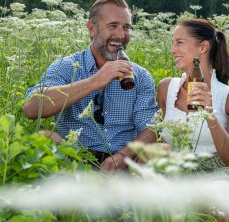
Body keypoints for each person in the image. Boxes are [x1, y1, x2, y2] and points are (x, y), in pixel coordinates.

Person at [23, 0, 158, 171]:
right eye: (113, 26)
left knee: (158, 151)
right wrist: (94, 81)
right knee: (42, 136)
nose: (121, 35)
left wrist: (123, 155)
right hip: (73, 158)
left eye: (126, 27)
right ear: (92, 29)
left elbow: (150, 128)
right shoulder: (68, 66)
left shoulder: (141, 76)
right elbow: (31, 108)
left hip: (121, 163)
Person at [157, 18, 229, 192]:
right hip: (177, 173)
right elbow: (160, 138)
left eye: (179, 43)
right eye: (173, 43)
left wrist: (209, 114)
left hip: (221, 174)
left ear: (203, 47)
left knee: (212, 195)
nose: (172, 50)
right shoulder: (166, 89)